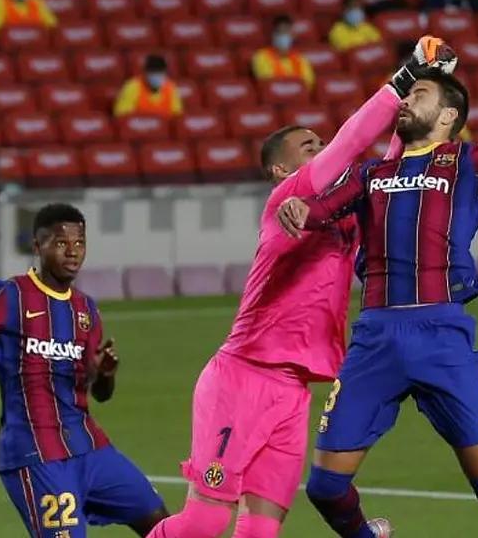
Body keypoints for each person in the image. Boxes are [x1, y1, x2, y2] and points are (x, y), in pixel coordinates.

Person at [144, 37, 459, 538]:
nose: (321, 148)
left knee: (261, 533)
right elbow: (351, 145)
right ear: (282, 169)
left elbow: (386, 169)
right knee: (203, 524)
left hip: (292, 393)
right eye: (309, 146)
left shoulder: (343, 218)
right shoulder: (284, 202)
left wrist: (425, 94)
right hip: (242, 377)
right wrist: (404, 77)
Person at [277, 62, 478, 538]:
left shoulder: (466, 163)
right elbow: (322, 209)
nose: (407, 101)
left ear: (448, 114)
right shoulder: (372, 173)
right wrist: (297, 207)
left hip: (442, 336)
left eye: (421, 93)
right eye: (407, 94)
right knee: (325, 487)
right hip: (375, 339)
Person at [0, 204, 168, 538]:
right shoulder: (8, 295)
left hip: (90, 447)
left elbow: (100, 394)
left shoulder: (85, 309)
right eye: (61, 243)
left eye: (80, 243)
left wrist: (105, 373)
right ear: (37, 246)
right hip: (37, 453)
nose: (73, 252)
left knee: (162, 524)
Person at [252, 15, 316, 89]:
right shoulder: (261, 56)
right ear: (273, 35)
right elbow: (268, 83)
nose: (283, 36)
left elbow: (308, 83)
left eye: (286, 32)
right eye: (279, 32)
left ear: (293, 35)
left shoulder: (300, 58)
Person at [113, 54, 184, 118]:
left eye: (160, 72)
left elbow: (177, 116)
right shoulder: (132, 86)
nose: (156, 76)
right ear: (145, 72)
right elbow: (121, 115)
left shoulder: (171, 88)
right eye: (153, 72)